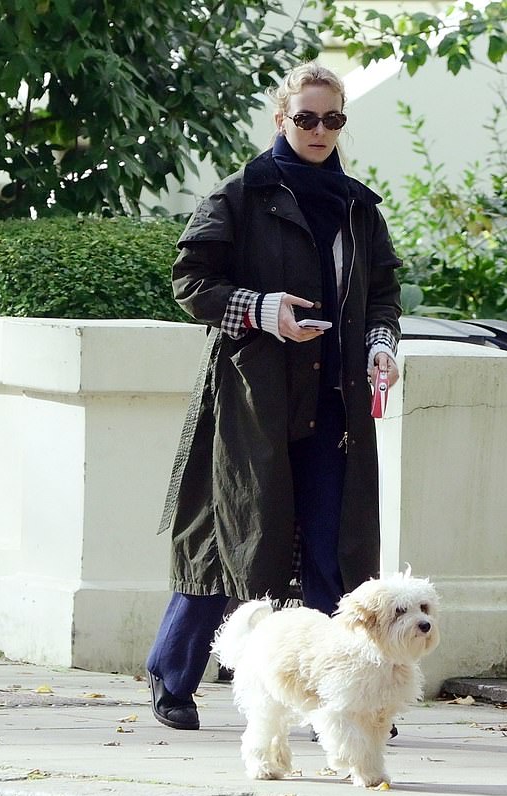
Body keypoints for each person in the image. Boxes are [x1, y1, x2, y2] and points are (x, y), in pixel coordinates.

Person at [146, 61, 402, 730]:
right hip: (252, 403)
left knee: (334, 552)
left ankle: (346, 693)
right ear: (280, 120)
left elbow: (382, 294)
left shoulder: (357, 205)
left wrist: (381, 344)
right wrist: (262, 310)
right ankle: (172, 672)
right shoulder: (241, 195)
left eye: (334, 119)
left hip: (336, 405)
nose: (321, 130)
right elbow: (190, 282)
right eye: (308, 118)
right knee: (234, 542)